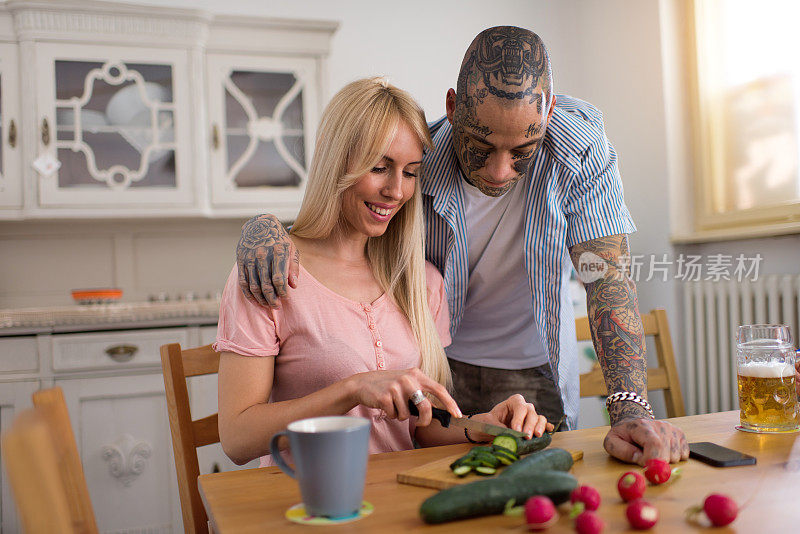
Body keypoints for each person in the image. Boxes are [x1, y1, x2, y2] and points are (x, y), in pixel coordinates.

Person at [235, 27, 689, 466]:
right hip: (439, 365)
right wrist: (267, 226)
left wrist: (629, 408)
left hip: (533, 366)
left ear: (547, 113)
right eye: (481, 145)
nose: (499, 171)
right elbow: (342, 205)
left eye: (521, 151)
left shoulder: (580, 154)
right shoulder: (418, 160)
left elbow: (605, 279)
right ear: (452, 109)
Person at [216, 77, 551, 467]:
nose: (396, 190)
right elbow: (237, 439)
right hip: (307, 505)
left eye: (410, 172)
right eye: (379, 167)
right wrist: (353, 390)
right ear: (336, 162)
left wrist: (481, 425)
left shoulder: (421, 282)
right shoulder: (270, 271)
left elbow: (420, 427)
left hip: (401, 504)